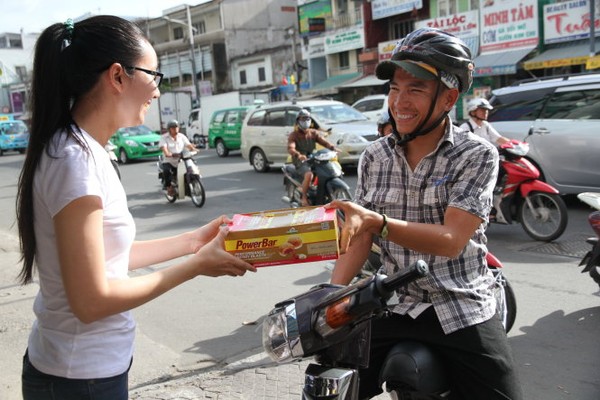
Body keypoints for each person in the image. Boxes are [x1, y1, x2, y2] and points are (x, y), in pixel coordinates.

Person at [15, 16, 255, 400]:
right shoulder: (74, 161)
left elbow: (111, 257)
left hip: (80, 370)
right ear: (117, 76)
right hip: (79, 379)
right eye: (154, 75)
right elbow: (91, 301)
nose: (158, 92)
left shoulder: (80, 149)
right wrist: (195, 267)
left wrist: (194, 240)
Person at [326, 28, 522, 400]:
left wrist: (377, 222)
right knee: (327, 384)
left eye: (415, 89)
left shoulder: (476, 155)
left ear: (449, 97)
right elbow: (361, 234)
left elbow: (451, 240)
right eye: (395, 89)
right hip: (393, 302)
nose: (399, 101)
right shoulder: (374, 156)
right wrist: (331, 296)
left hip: (460, 305)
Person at [287, 109, 339, 206]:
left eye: (307, 118)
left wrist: (332, 147)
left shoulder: (313, 133)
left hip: (313, 159)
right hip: (300, 161)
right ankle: (304, 198)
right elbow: (291, 148)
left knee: (326, 170)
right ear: (298, 121)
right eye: (303, 119)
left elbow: (323, 142)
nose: (306, 121)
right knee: (309, 175)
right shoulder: (294, 135)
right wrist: (299, 155)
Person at [159, 119, 197, 194]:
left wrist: (193, 149)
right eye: (173, 128)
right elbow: (164, 148)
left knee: (192, 165)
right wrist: (168, 153)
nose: (175, 129)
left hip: (182, 159)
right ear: (169, 129)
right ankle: (169, 187)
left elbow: (188, 144)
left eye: (176, 127)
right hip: (169, 161)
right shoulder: (164, 138)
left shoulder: (181, 136)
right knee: (167, 171)